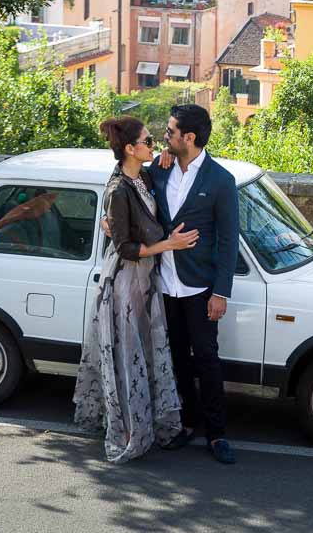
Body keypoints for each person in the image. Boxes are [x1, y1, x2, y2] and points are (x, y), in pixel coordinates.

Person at [73, 116, 199, 463]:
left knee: (145, 352)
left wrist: (166, 158)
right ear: (130, 149)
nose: (153, 145)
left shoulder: (143, 176)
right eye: (147, 142)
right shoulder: (118, 189)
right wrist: (169, 245)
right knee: (127, 358)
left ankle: (144, 422)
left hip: (146, 280)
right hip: (126, 281)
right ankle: (128, 431)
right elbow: (126, 247)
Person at [152, 104, 240, 465]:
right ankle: (187, 424)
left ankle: (217, 434)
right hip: (164, 284)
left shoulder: (221, 180)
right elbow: (129, 190)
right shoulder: (159, 171)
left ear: (189, 137)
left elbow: (228, 240)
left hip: (200, 287)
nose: (166, 136)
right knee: (177, 359)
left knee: (207, 359)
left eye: (170, 132)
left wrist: (220, 292)